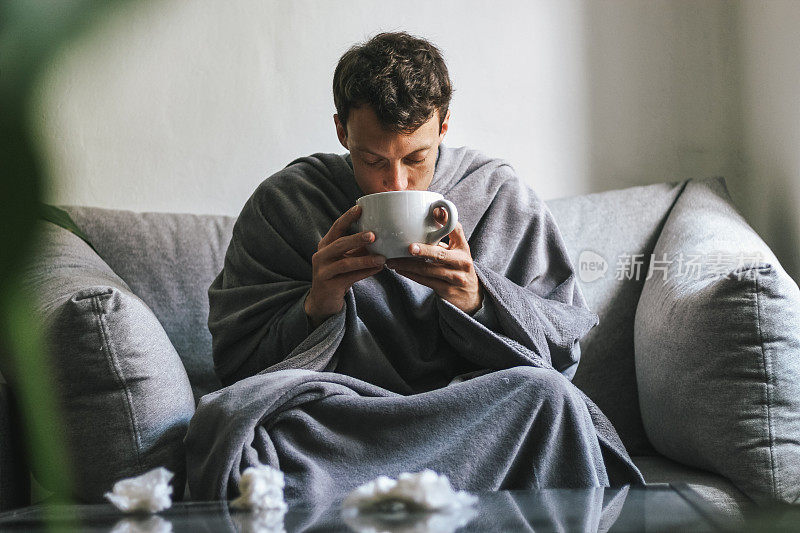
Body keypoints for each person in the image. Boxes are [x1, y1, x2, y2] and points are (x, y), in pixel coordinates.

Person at [192, 31, 644, 500]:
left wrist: (477, 299)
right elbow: (236, 365)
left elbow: (563, 353)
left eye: (416, 158)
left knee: (548, 399)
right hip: (345, 421)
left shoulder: (499, 197)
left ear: (444, 125)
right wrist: (316, 307)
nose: (396, 182)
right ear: (341, 130)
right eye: (371, 160)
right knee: (237, 425)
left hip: (467, 413)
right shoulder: (285, 204)